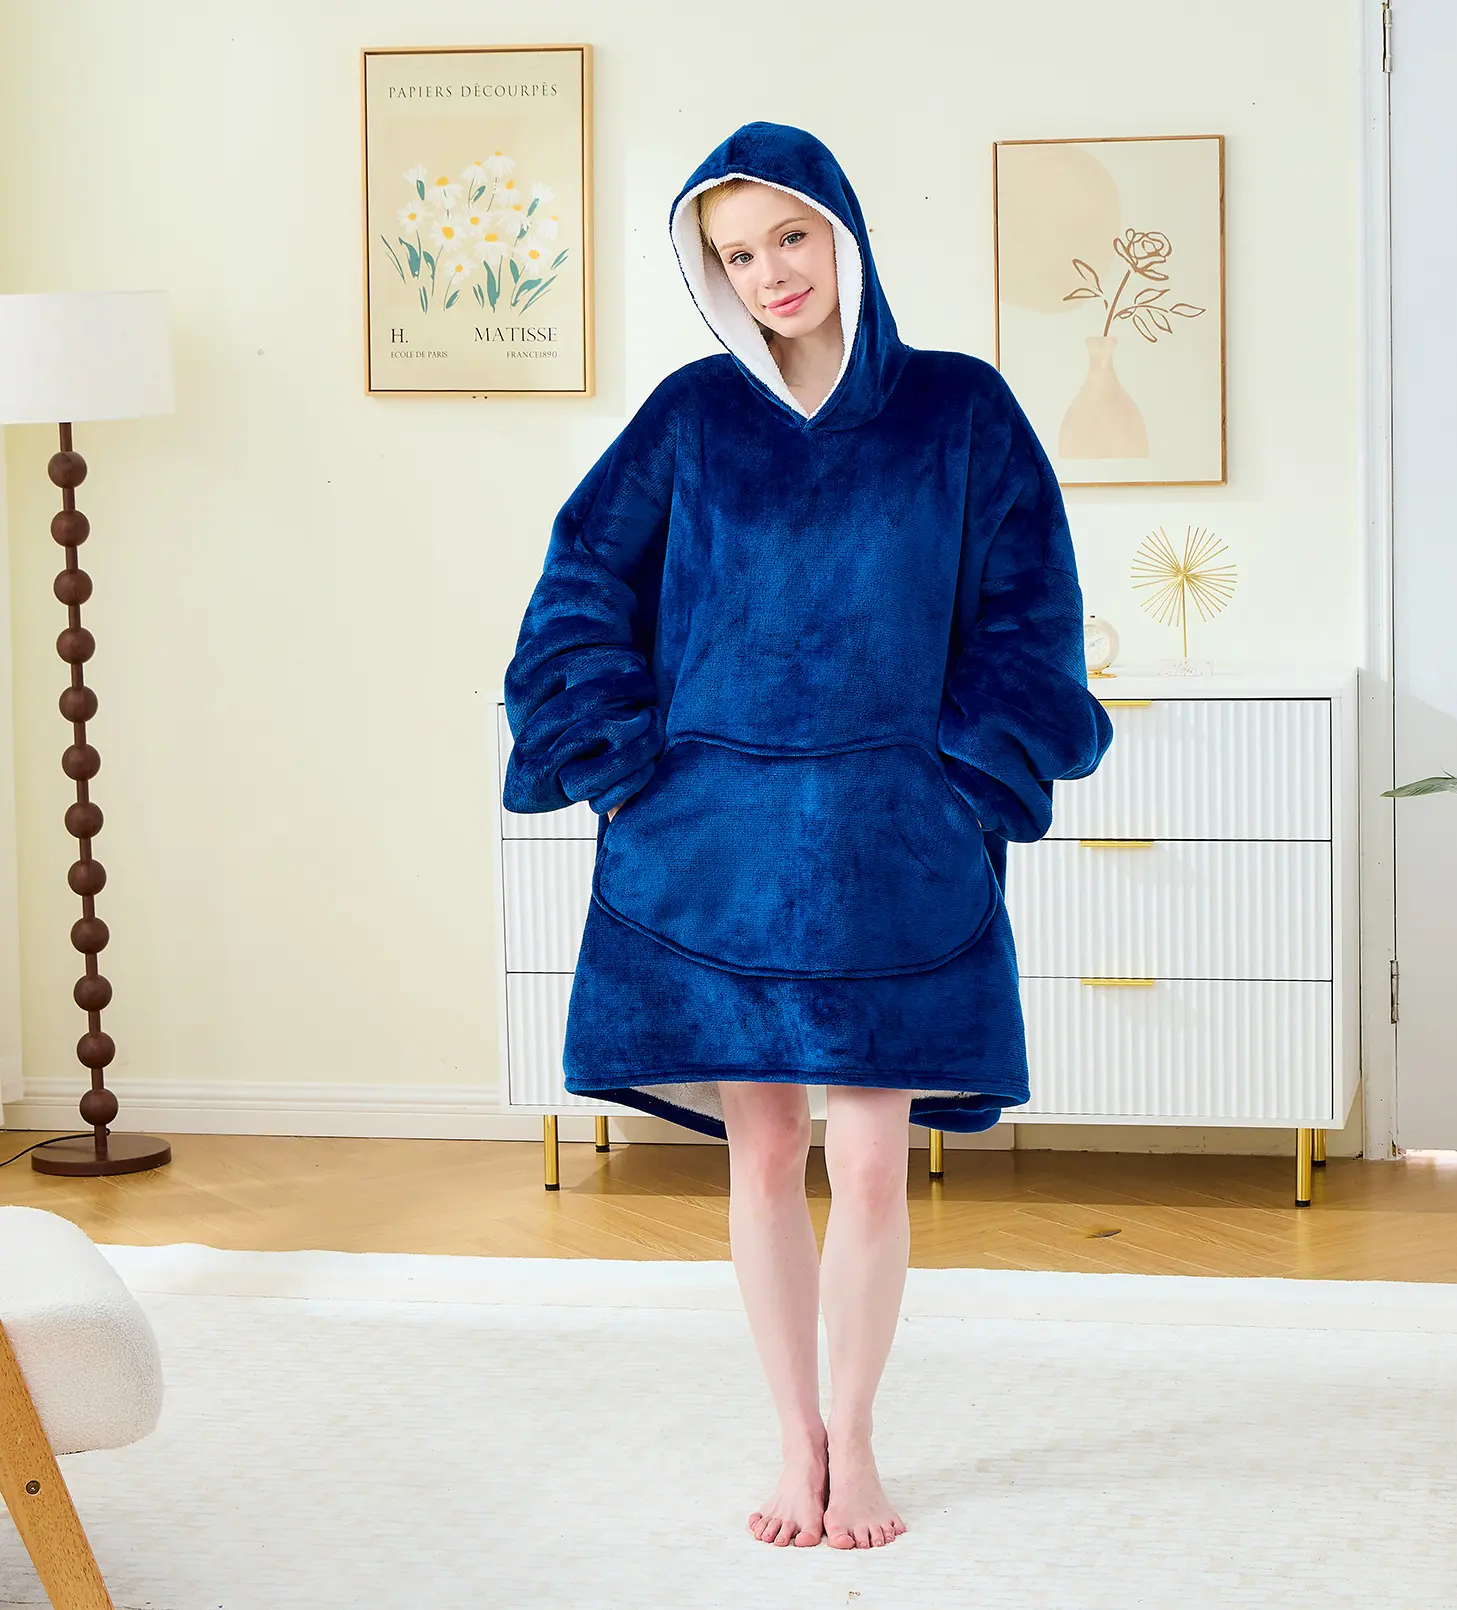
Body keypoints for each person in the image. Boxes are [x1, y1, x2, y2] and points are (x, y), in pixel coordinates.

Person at [502, 122, 1113, 1551]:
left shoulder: (962, 409)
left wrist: (966, 780)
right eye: (734, 254)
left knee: (877, 1159)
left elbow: (1031, 614)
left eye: (787, 236)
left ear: (840, 230)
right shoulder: (689, 418)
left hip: (891, 847)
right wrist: (624, 767)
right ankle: (796, 1438)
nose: (768, 272)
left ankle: (860, 1434)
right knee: (763, 1148)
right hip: (711, 847)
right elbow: (578, 585)